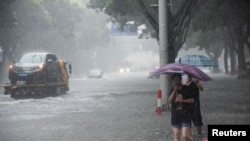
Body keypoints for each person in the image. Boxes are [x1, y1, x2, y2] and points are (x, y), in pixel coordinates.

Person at [167, 73, 195, 141]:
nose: (176, 81)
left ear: (180, 79)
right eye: (174, 80)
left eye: (177, 79)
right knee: (176, 135)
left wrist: (182, 100)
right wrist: (174, 91)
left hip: (185, 114)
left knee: (185, 135)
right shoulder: (172, 89)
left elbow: (192, 100)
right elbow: (169, 101)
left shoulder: (186, 89)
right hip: (175, 115)